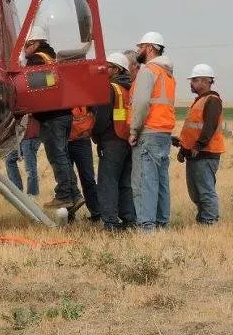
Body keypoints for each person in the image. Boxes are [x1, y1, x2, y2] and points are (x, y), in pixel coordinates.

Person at [25, 25, 82, 209]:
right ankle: (75, 194)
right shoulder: (51, 58)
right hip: (62, 114)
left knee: (58, 157)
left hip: (51, 117)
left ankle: (65, 195)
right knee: (62, 155)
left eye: (26, 45)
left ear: (34, 43)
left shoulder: (35, 60)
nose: (24, 50)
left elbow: (32, 89)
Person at [128, 32, 176, 231]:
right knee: (161, 181)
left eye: (141, 47)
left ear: (149, 48)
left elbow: (141, 103)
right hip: (164, 133)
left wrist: (134, 129)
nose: (138, 50)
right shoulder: (167, 73)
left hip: (148, 132)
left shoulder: (148, 71)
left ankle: (146, 227)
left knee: (144, 181)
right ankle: (161, 224)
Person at [174, 64, 225, 225]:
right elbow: (192, 130)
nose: (191, 83)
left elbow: (209, 127)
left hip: (205, 153)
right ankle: (203, 219)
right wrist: (183, 149)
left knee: (205, 191)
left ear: (206, 81)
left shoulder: (212, 101)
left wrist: (198, 146)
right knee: (195, 192)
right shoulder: (199, 101)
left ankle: (209, 221)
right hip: (195, 154)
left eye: (195, 80)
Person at [93, 52, 136, 231]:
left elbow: (102, 118)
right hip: (128, 140)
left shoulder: (110, 88)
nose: (104, 69)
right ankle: (129, 219)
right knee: (125, 183)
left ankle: (110, 222)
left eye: (108, 66)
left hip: (111, 140)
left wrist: (95, 135)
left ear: (117, 69)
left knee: (107, 181)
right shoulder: (129, 88)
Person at [67, 107, 101, 223]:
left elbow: (95, 112)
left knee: (88, 179)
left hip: (82, 141)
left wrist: (89, 131)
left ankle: (96, 214)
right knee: (66, 180)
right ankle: (69, 214)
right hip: (63, 142)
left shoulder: (83, 94)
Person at [5, 115, 41, 198]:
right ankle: (17, 190)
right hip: (24, 137)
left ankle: (32, 194)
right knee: (9, 160)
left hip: (31, 137)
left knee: (30, 167)